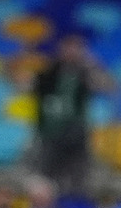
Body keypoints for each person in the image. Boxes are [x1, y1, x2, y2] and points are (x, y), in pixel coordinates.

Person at [31, 35, 99, 197]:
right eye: (68, 48)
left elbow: (105, 85)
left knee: (76, 180)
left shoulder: (85, 73)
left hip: (75, 134)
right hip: (50, 133)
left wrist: (91, 65)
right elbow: (33, 88)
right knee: (47, 179)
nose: (71, 53)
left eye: (76, 49)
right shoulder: (49, 73)